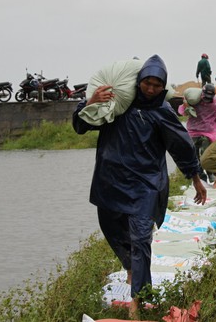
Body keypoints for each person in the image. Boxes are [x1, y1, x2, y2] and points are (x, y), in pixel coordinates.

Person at [71, 55, 207, 318]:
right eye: (147, 83)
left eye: (157, 85)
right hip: (111, 181)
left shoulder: (162, 112)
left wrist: (195, 177)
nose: (151, 89)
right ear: (139, 82)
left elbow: (181, 145)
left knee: (141, 239)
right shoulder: (118, 105)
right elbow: (81, 125)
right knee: (111, 227)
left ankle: (138, 302)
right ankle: (131, 268)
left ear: (163, 86)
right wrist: (91, 102)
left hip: (146, 186)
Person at [178, 83, 216, 182]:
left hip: (207, 133)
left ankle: (210, 173)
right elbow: (183, 112)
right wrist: (186, 105)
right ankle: (199, 174)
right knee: (193, 154)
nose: (207, 100)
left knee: (206, 154)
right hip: (193, 132)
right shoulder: (195, 101)